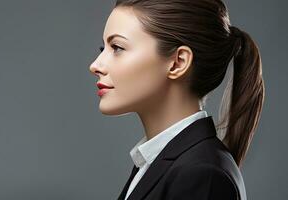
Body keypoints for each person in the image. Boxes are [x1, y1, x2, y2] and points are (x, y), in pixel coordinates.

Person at [89, 0, 265, 199]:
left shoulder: (201, 175)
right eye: (102, 49)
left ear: (178, 63)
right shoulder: (156, 163)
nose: (95, 65)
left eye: (117, 47)